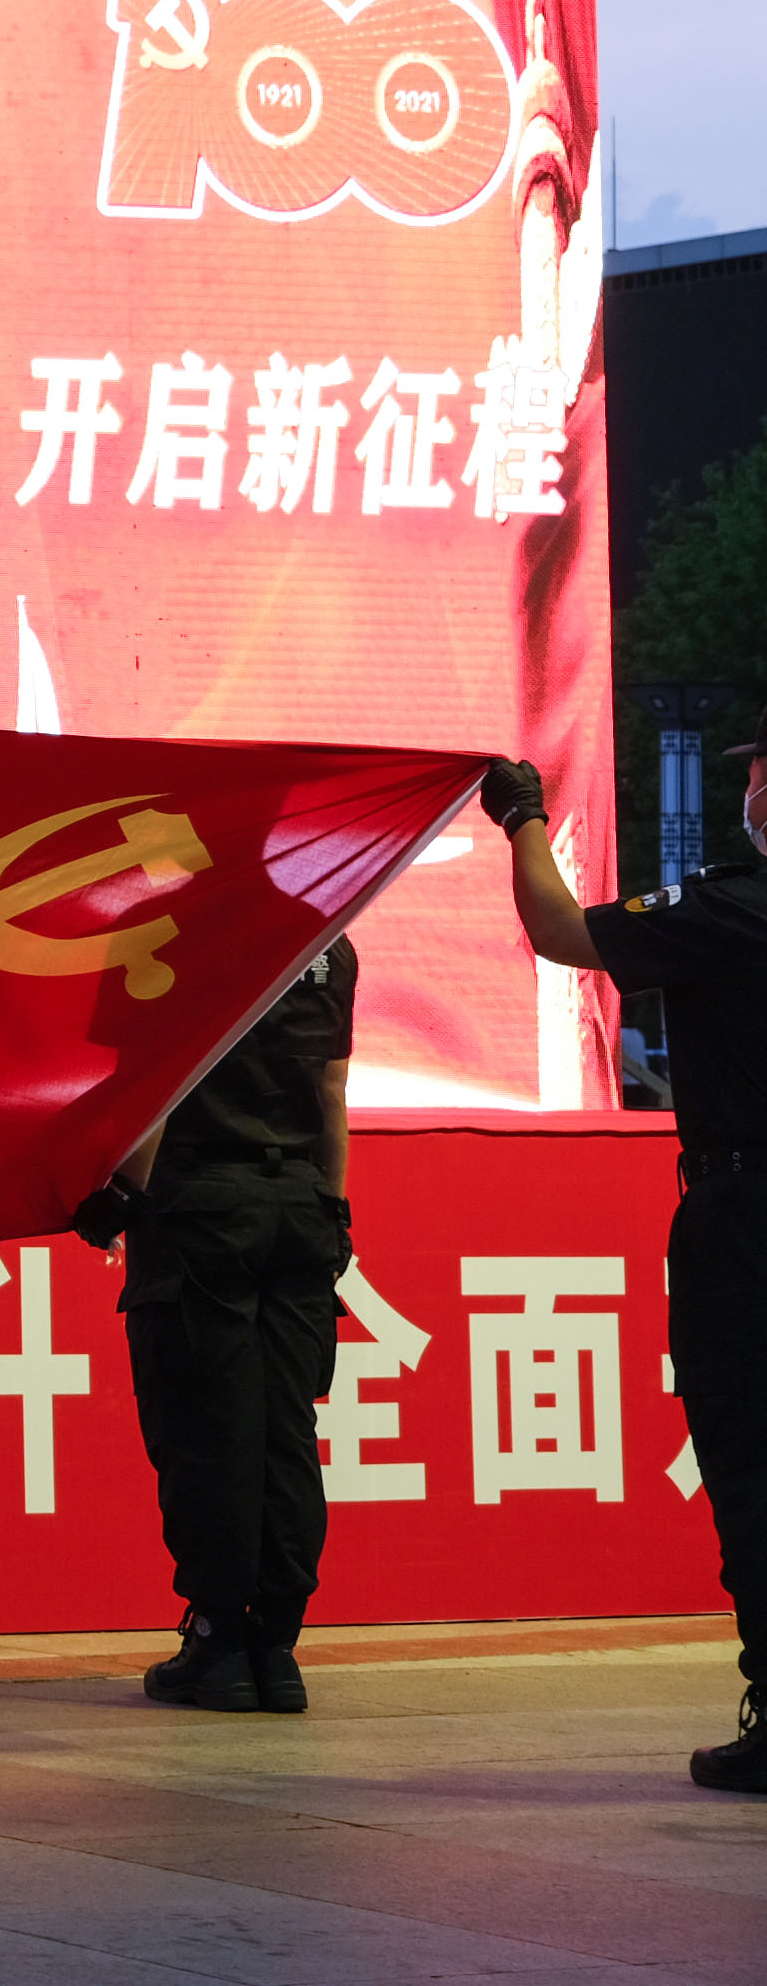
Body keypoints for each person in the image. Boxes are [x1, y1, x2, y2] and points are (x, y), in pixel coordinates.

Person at [492, 747, 767, 1791]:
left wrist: (522, 818)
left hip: (746, 1220)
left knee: (752, 1462)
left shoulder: (731, 909)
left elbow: (563, 934)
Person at [74, 936, 355, 1716]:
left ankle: (219, 1640)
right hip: (301, 1207)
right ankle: (278, 1647)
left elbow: (156, 1086)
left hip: (198, 1207)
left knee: (209, 1431)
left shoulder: (176, 929)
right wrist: (333, 1212)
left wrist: (121, 1196)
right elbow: (332, 1092)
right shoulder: (331, 940)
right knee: (285, 1432)